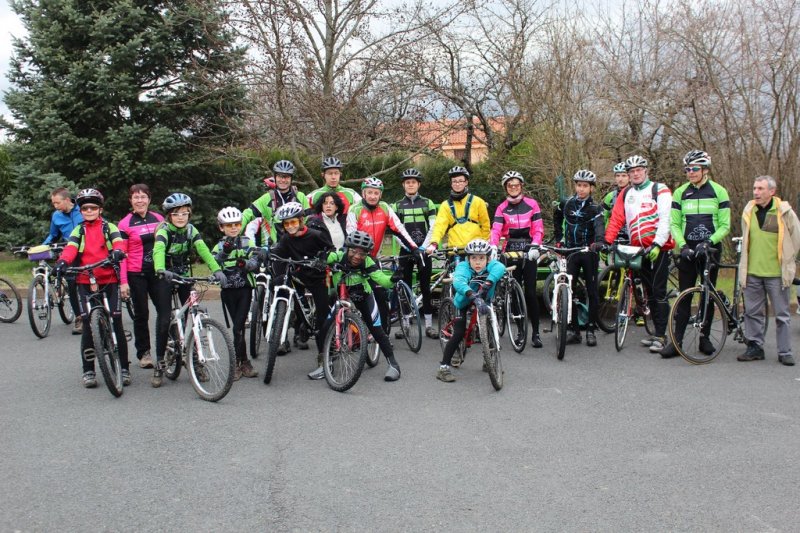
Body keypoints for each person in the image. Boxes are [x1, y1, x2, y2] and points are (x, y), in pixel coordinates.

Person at [53, 188, 130, 388]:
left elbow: (119, 242)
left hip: (109, 280)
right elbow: (70, 248)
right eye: (85, 208)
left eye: (93, 208)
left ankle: (123, 367)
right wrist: (62, 262)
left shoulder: (108, 227)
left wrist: (118, 252)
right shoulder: (79, 230)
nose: (89, 211)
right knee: (88, 324)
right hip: (85, 280)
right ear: (81, 210)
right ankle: (88, 370)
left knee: (116, 320)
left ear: (100, 209)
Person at [660, 150, 731, 358]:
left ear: (705, 170)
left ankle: (704, 338)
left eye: (694, 169)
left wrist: (709, 242)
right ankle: (677, 341)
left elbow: (725, 225)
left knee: (707, 294)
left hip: (710, 250)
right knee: (684, 294)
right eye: (687, 169)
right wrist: (682, 246)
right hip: (688, 250)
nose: (690, 173)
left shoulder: (719, 192)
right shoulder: (680, 192)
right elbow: (674, 222)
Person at [151, 193, 226, 388]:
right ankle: (159, 363)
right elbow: (158, 250)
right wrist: (160, 269)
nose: (181, 217)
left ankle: (195, 361)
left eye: (185, 213)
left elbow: (203, 250)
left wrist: (216, 270)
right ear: (169, 216)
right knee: (165, 317)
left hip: (184, 274)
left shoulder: (191, 230)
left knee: (190, 317)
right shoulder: (164, 231)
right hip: (165, 275)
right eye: (176, 214)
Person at [603, 155, 675, 353]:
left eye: (638, 170)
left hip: (659, 249)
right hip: (638, 250)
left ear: (645, 170)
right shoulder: (626, 193)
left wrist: (658, 244)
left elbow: (666, 219)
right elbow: (617, 219)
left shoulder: (659, 190)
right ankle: (655, 333)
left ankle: (661, 335)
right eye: (631, 171)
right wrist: (606, 241)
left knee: (659, 292)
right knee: (648, 291)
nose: (635, 174)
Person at [736, 176, 800, 366]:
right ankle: (755, 347)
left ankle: (784, 351)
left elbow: (796, 238)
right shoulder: (749, 210)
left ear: (772, 191)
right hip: (753, 272)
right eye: (755, 188)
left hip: (776, 274)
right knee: (752, 313)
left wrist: (787, 260)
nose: (756, 192)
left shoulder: (784, 212)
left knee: (782, 315)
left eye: (761, 189)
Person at [348, 177, 422, 335]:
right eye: (369, 192)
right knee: (359, 297)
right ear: (363, 193)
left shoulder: (385, 208)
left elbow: (399, 230)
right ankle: (356, 333)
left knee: (381, 297)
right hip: (356, 258)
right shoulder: (355, 209)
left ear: (380, 195)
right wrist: (357, 258)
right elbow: (351, 237)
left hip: (374, 258)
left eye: (376, 193)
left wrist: (414, 249)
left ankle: (383, 335)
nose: (373, 196)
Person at [325, 230, 401, 381]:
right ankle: (325, 363)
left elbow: (382, 280)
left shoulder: (368, 262)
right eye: (354, 251)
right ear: (348, 248)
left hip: (362, 294)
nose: (357, 256)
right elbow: (326, 258)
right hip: (339, 292)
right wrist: (321, 261)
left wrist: (393, 279)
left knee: (376, 329)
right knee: (325, 327)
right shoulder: (338, 255)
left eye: (363, 253)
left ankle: (394, 365)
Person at [270, 202, 335, 378]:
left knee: (322, 320)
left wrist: (324, 259)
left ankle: (325, 358)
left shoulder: (316, 235)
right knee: (298, 304)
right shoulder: (286, 239)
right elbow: (278, 254)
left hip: (317, 278)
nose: (290, 227)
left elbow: (331, 250)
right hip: (298, 276)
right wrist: (266, 254)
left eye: (293, 222)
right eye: (286, 224)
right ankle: (301, 325)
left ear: (301, 220)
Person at [436, 238, 506, 382]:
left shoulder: (491, 265)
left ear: (487, 259)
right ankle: (443, 368)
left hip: (484, 300)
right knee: (459, 333)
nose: (478, 262)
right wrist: (471, 294)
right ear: (468, 259)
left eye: (481, 258)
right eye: (473, 258)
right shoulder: (463, 267)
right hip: (463, 302)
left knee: (489, 327)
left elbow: (500, 267)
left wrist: (488, 283)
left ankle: (489, 361)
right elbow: (458, 281)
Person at [488, 170, 544, 348]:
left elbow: (538, 228)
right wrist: (492, 246)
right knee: (513, 292)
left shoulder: (532, 204)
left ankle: (535, 333)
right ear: (506, 188)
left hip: (529, 251)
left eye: (516, 185)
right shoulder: (501, 208)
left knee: (530, 293)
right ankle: (520, 330)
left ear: (521, 186)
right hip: (510, 251)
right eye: (510, 185)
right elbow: (496, 229)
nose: (513, 188)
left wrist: (536, 244)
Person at [555, 170, 605, 347]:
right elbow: (557, 215)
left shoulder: (595, 208)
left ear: (591, 188)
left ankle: (591, 330)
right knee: (570, 290)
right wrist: (558, 238)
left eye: (585, 186)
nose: (581, 189)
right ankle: (574, 331)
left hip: (589, 252)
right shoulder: (567, 203)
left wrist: (599, 242)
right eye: (579, 185)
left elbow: (599, 227)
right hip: (571, 252)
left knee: (592, 292)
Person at [117, 184, 164, 369]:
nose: (140, 200)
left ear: (149, 199)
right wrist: (123, 282)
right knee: (141, 314)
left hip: (157, 272)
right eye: (135, 197)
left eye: (143, 197)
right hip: (136, 274)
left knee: (164, 312)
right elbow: (121, 255)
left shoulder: (159, 218)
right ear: (131, 201)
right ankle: (144, 352)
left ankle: (166, 348)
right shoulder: (125, 223)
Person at [212, 207, 260, 380]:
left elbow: (256, 261)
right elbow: (213, 263)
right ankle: (242, 361)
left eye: (237, 224)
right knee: (237, 328)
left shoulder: (247, 242)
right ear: (221, 227)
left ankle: (240, 364)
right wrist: (224, 252)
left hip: (245, 289)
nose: (233, 228)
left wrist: (245, 264)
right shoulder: (218, 245)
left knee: (238, 326)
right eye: (229, 225)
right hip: (228, 291)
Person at [391, 168, 439, 338]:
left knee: (426, 287)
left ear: (418, 184)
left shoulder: (428, 203)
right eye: (407, 182)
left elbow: (433, 227)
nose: (410, 185)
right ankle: (405, 326)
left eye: (413, 182)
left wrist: (423, 248)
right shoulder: (396, 205)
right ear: (403, 185)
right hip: (405, 251)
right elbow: (397, 230)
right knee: (405, 288)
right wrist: (409, 247)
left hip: (423, 251)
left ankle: (428, 326)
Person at [241, 160, 311, 245]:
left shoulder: (300, 197)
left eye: (286, 177)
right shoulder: (266, 198)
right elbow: (247, 214)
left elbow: (309, 219)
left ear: (291, 178)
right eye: (280, 176)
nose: (283, 180)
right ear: (275, 177)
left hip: (298, 246)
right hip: (273, 250)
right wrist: (235, 230)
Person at [44, 187, 83, 333]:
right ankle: (79, 317)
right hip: (70, 252)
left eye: (57, 203)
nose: (55, 206)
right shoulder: (56, 216)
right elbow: (53, 235)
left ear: (67, 200)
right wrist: (42, 248)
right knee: (72, 283)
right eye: (53, 203)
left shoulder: (83, 210)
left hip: (86, 250)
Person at [426, 167, 491, 255]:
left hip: (475, 250)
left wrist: (484, 243)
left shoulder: (478, 201)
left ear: (466, 182)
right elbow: (439, 226)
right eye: (454, 181)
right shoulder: (445, 205)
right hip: (455, 250)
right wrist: (434, 243)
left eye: (460, 181)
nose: (457, 184)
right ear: (451, 183)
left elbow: (485, 225)